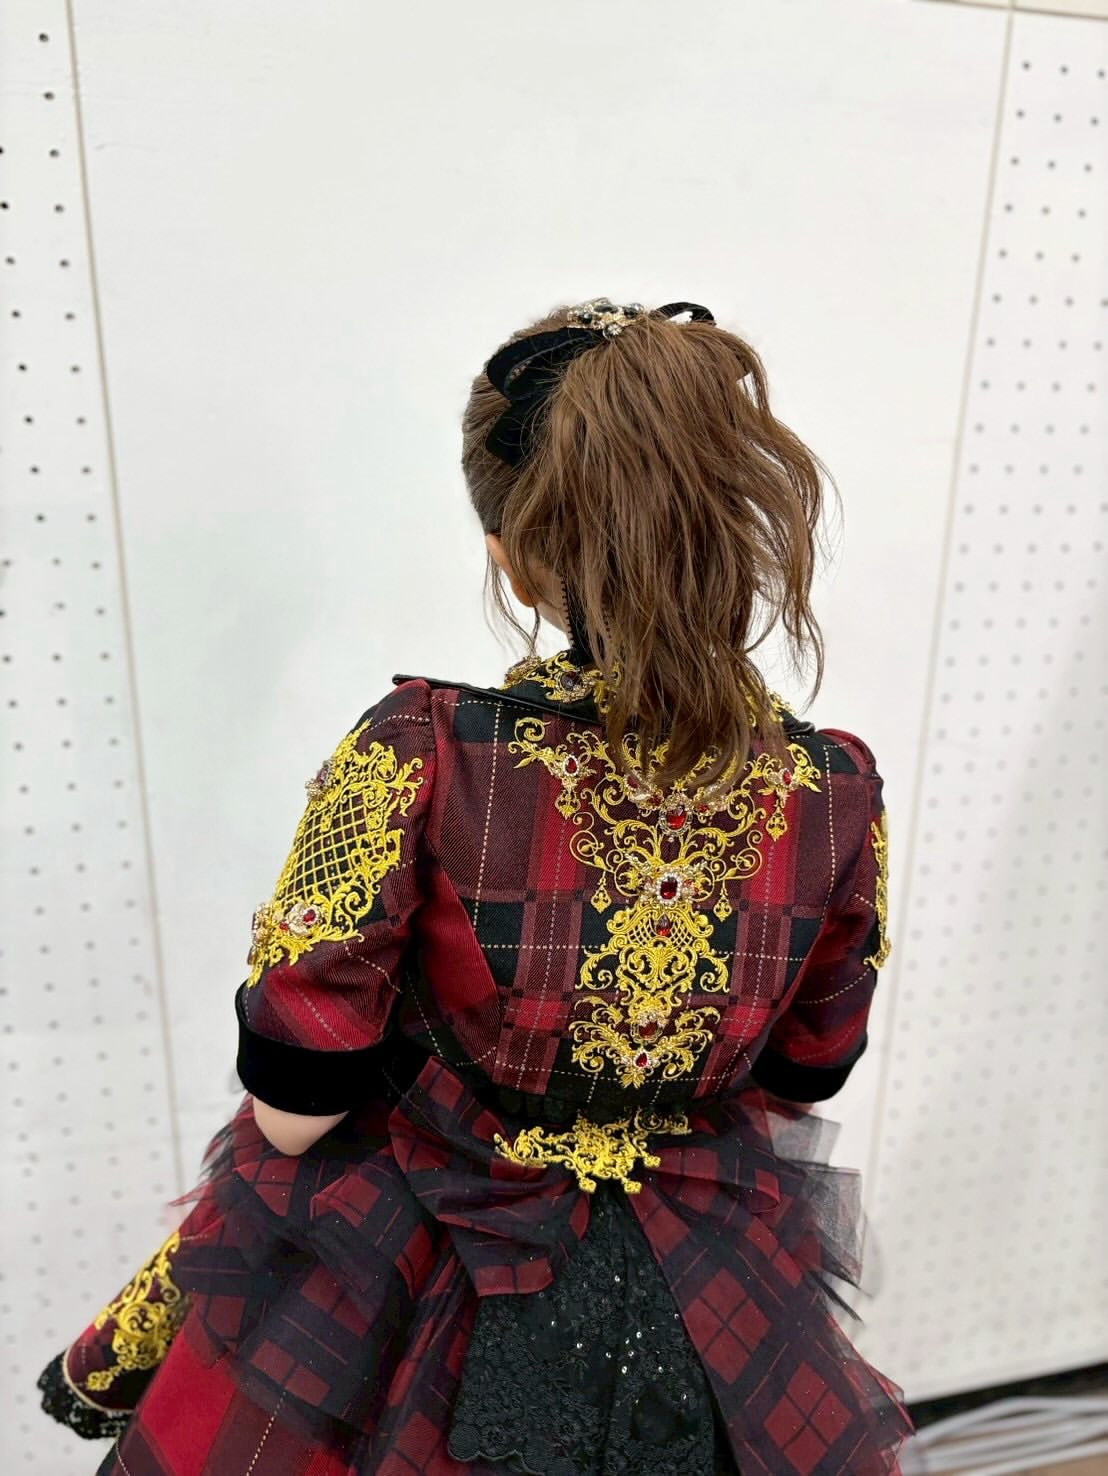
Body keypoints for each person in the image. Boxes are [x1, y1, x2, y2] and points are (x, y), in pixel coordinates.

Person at [37, 297, 916, 1474]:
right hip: (696, 1279)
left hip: (422, 1268)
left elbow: (300, 1098)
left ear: (512, 554)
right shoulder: (835, 786)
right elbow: (808, 1070)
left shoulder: (427, 749)